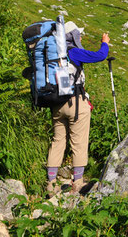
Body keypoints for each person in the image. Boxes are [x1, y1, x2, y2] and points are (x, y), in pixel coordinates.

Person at [46, 21, 110, 196]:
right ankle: (78, 183)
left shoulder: (52, 55)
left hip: (57, 104)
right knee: (79, 142)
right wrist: (105, 43)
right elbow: (100, 56)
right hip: (76, 103)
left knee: (58, 141)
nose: (80, 37)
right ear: (72, 36)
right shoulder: (74, 52)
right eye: (78, 34)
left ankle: (51, 184)